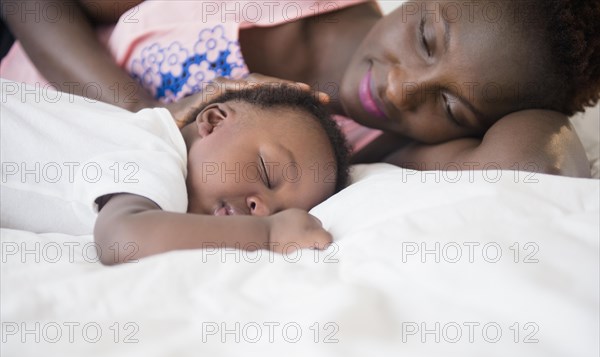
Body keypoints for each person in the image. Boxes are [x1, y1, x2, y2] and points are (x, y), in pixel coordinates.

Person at [1, 0, 598, 176]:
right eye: (425, 39)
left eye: (450, 104)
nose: (398, 89)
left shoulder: (373, 149)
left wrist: (548, 99)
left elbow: (533, 161)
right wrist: (147, 116)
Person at [0, 79, 351, 265]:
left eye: (280, 210)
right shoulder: (157, 152)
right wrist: (268, 235)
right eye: (267, 172)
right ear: (213, 121)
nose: (262, 207)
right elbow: (123, 239)